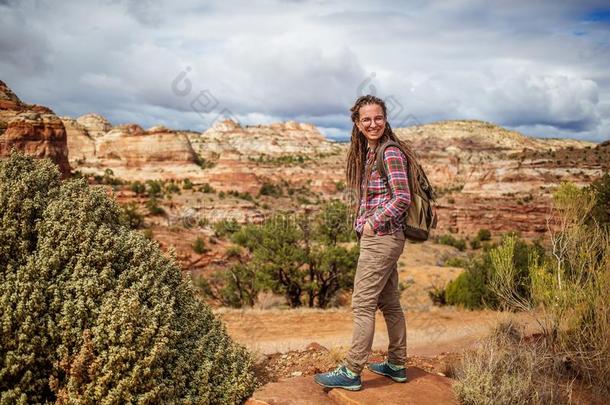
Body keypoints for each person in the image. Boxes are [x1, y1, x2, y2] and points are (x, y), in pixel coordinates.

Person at [314, 94, 422, 391]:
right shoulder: (372, 151)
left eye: (378, 118)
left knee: (362, 305)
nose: (373, 123)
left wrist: (372, 224)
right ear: (357, 124)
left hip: (382, 238)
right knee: (389, 303)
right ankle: (397, 365)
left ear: (385, 119)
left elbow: (402, 197)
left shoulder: (389, 152)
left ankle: (351, 371)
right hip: (382, 238)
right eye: (366, 120)